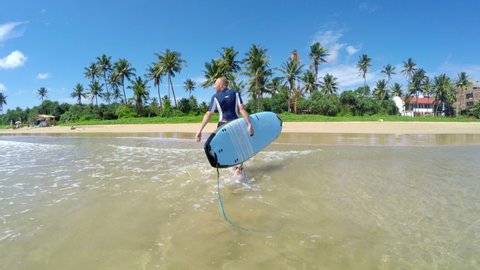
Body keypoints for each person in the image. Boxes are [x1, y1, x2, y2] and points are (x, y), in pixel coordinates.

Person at [196, 77, 254, 175]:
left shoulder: (215, 97)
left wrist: (200, 130)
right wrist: (249, 124)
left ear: (221, 84)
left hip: (222, 126)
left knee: (225, 148)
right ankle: (238, 169)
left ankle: (230, 167)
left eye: (215, 84)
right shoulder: (236, 93)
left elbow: (208, 114)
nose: (214, 86)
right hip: (236, 124)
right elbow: (241, 109)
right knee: (239, 147)